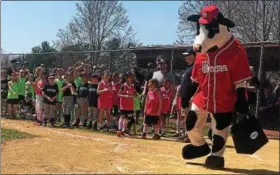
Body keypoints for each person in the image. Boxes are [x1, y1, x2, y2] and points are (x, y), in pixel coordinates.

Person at [117, 72, 136, 137]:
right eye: (129, 77)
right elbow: (118, 94)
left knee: (127, 118)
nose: (131, 79)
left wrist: (133, 95)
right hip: (124, 105)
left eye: (132, 77)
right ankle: (119, 129)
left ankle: (124, 130)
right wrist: (125, 96)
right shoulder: (123, 86)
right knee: (122, 116)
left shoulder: (133, 86)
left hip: (130, 105)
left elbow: (135, 94)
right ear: (126, 78)